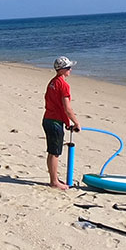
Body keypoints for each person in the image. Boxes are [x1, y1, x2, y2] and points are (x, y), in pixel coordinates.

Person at [43, 56, 80, 189]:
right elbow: (67, 107)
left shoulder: (53, 82)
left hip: (49, 119)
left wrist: (66, 121)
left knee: (53, 151)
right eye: (68, 67)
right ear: (62, 70)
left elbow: (56, 104)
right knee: (55, 152)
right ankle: (54, 182)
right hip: (53, 121)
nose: (70, 69)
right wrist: (76, 122)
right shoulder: (63, 85)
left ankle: (54, 178)